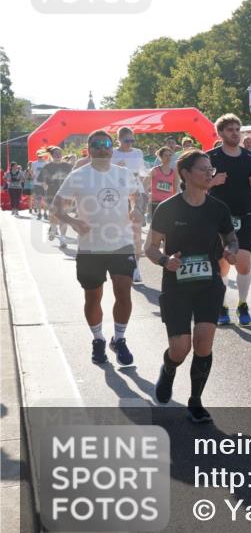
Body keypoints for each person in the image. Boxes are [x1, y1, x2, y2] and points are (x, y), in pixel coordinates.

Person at [146, 150, 238, 423]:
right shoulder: (168, 209)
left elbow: (231, 239)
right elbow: (149, 247)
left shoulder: (218, 208)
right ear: (185, 174)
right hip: (177, 287)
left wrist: (232, 250)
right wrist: (165, 260)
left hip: (209, 285)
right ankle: (169, 367)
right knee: (181, 349)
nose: (210, 173)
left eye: (211, 169)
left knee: (203, 343)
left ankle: (195, 400)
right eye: (203, 169)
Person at [50, 130, 141, 366]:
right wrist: (72, 221)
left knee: (124, 293)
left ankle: (119, 339)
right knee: (93, 297)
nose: (103, 148)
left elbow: (138, 194)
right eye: (97, 145)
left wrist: (136, 208)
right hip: (90, 248)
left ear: (112, 148)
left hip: (121, 244)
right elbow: (56, 208)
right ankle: (98, 339)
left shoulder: (123, 173)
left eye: (107, 144)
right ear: (89, 150)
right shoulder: (79, 176)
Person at [207, 114, 251, 326]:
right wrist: (212, 182)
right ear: (220, 133)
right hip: (220, 219)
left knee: (243, 263)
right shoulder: (210, 157)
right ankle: (222, 306)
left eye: (237, 129)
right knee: (222, 264)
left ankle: (242, 304)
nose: (235, 133)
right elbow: (194, 187)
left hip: (245, 215)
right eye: (230, 130)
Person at [111, 127, 147, 283]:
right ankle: (121, 263)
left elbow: (143, 173)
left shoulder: (137, 153)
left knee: (136, 231)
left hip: (136, 192)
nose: (130, 144)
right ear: (118, 140)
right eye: (127, 141)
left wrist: (145, 190)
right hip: (117, 195)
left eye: (132, 140)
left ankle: (136, 268)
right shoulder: (112, 153)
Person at [38, 147, 73, 247]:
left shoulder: (68, 166)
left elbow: (73, 180)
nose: (58, 155)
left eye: (60, 153)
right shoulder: (47, 167)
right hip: (51, 195)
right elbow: (42, 182)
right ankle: (53, 229)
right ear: (52, 155)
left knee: (64, 217)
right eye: (56, 153)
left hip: (65, 195)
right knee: (53, 216)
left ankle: (62, 239)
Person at [146, 146, 179, 218]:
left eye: (170, 155)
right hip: (155, 203)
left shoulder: (174, 172)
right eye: (166, 155)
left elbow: (175, 190)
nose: (168, 158)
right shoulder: (154, 170)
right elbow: (144, 185)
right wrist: (147, 197)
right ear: (160, 157)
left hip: (168, 203)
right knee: (155, 227)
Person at [30, 150, 49, 218]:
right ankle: (39, 213)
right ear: (37, 155)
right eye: (38, 155)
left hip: (45, 184)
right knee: (38, 199)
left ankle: (45, 213)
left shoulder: (46, 163)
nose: (40, 156)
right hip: (37, 184)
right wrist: (33, 176)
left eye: (41, 155)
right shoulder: (34, 163)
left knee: (45, 199)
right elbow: (31, 172)